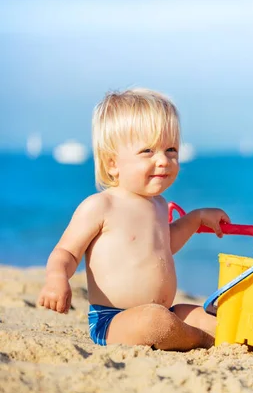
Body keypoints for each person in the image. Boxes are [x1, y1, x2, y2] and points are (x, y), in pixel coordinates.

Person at [37, 88, 230, 351]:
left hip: (165, 310)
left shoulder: (159, 205)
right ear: (112, 164)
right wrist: (56, 278)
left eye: (171, 150)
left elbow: (165, 244)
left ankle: (207, 334)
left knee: (208, 317)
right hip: (114, 319)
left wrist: (195, 219)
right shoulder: (101, 206)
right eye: (148, 151)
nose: (163, 160)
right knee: (155, 322)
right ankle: (202, 341)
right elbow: (67, 252)